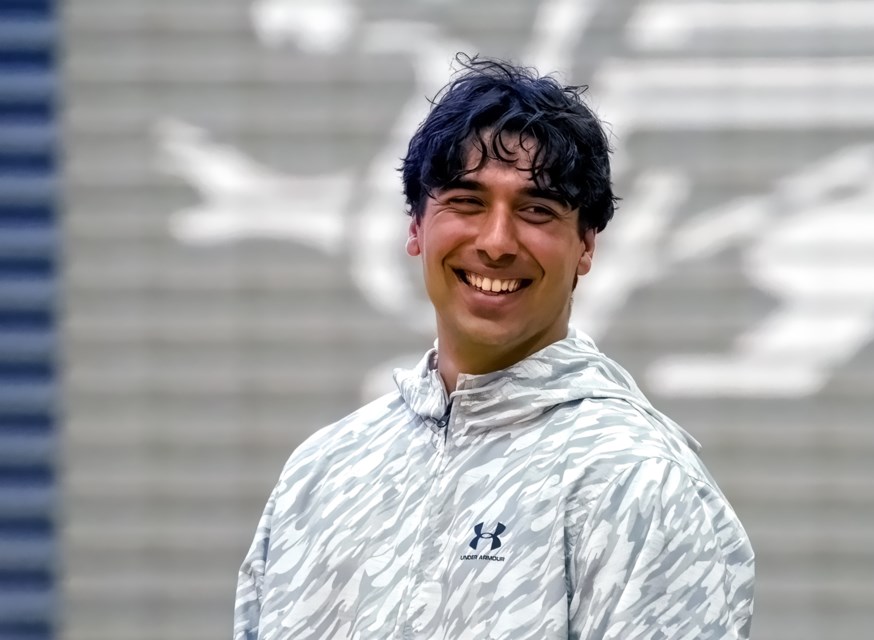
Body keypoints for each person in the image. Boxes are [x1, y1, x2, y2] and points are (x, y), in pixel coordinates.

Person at [235, 55, 755, 639]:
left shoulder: (636, 481)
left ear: (586, 245)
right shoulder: (322, 472)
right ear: (415, 227)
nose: (497, 242)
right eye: (467, 202)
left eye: (536, 210)